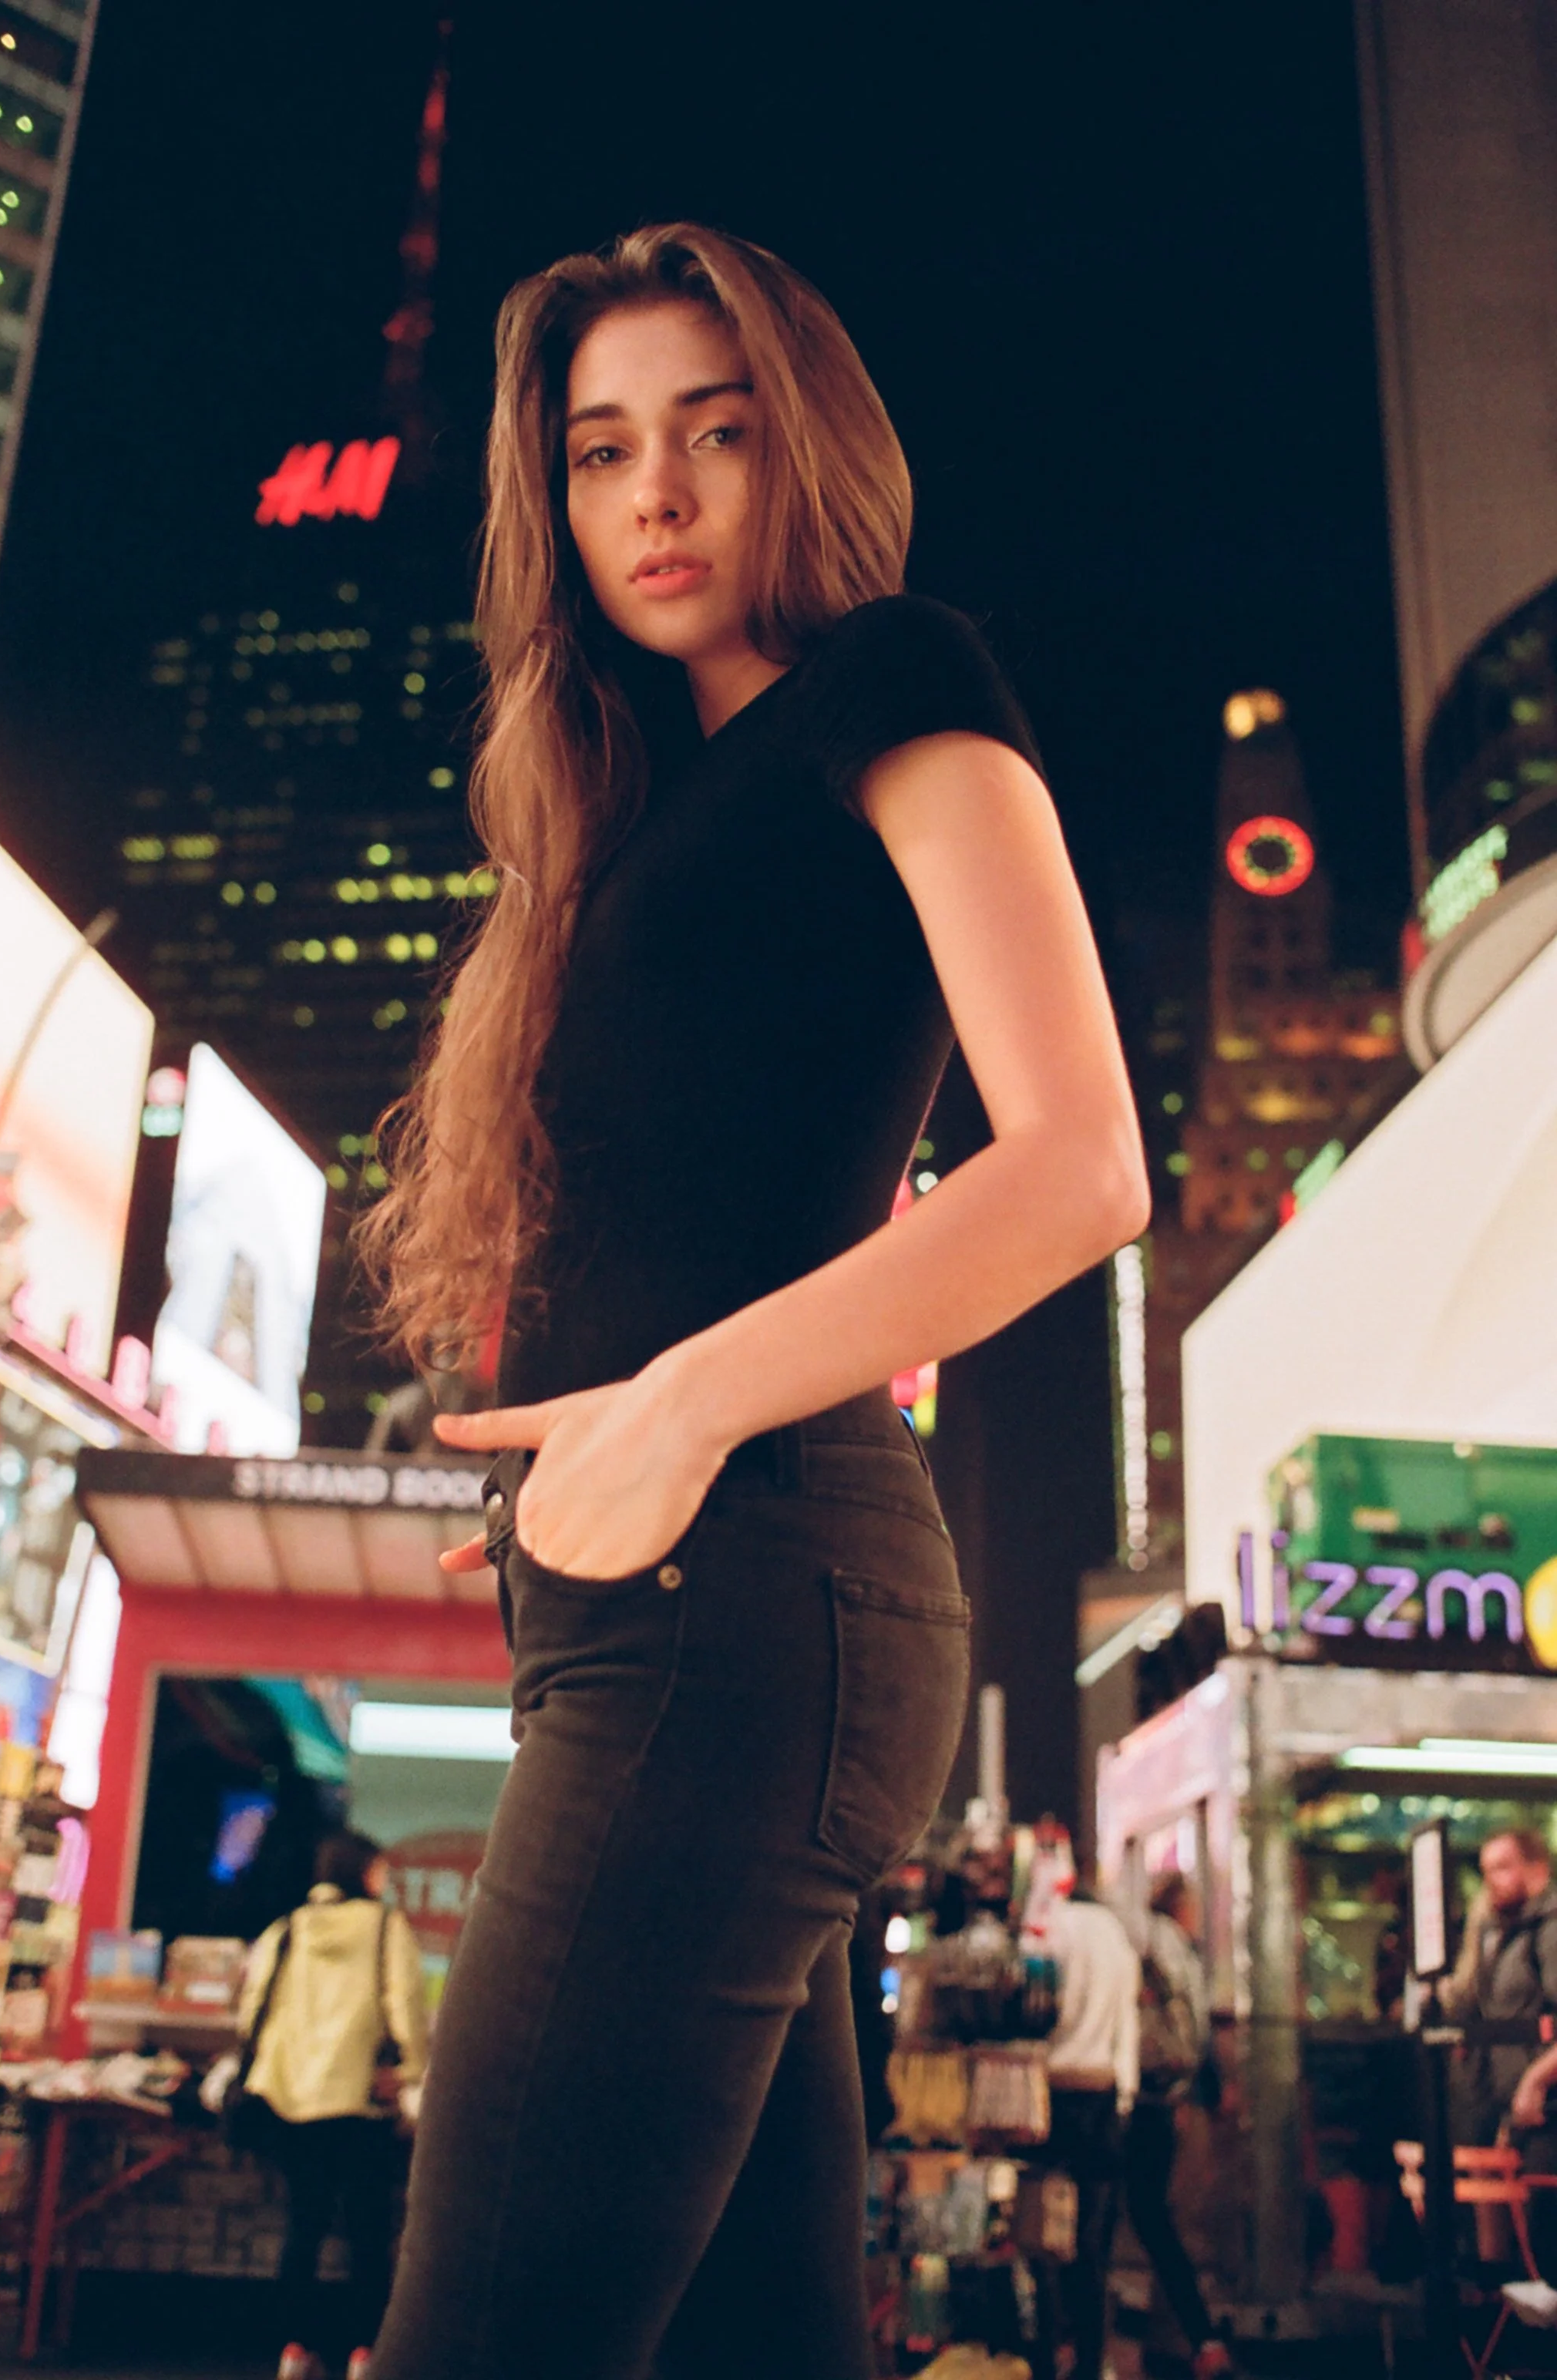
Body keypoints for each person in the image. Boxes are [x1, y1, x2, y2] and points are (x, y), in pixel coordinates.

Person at [356, 222, 1148, 2380]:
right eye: (604, 454)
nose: (661, 499)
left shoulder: (897, 682)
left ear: (805, 441)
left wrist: (674, 1409)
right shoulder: (622, 811)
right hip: (664, 1611)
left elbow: (1081, 1163)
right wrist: (577, 1451)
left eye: (713, 434)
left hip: (752, 1599)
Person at [237, 1830, 428, 2380]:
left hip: (293, 2100)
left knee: (303, 2226)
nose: (385, 1879)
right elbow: (405, 2005)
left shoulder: (288, 1929)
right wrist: (412, 2070)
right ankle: (364, 2354)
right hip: (360, 2103)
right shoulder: (386, 1928)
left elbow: (254, 2010)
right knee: (368, 2233)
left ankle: (295, 2351)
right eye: (380, 1870)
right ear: (362, 1871)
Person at [1125, 1874, 1232, 2378]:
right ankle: (1190, 2336)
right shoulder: (1175, 1950)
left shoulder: (1154, 1945)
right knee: (1164, 2220)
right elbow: (1198, 2031)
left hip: (1151, 2096)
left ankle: (1188, 2336)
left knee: (1153, 2219)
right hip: (1169, 2096)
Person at [1041, 1880, 1141, 2380]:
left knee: (1043, 2234)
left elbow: (1043, 2005)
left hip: (1053, 2093)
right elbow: (1129, 2024)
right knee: (1093, 2244)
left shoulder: (1054, 1925)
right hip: (1103, 2095)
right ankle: (1088, 2362)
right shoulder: (1117, 1938)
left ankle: (1044, 2354)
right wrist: (1124, 2094)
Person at [1449, 1829, 1557, 2273]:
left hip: (1545, 2110)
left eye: (1502, 1867)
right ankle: (1509, 2333)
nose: (1491, 1880)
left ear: (1537, 1867)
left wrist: (1537, 2079)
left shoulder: (1549, 1928)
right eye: (1486, 1870)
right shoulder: (1500, 1930)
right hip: (1504, 2103)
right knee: (1509, 2243)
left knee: (1543, 2238)